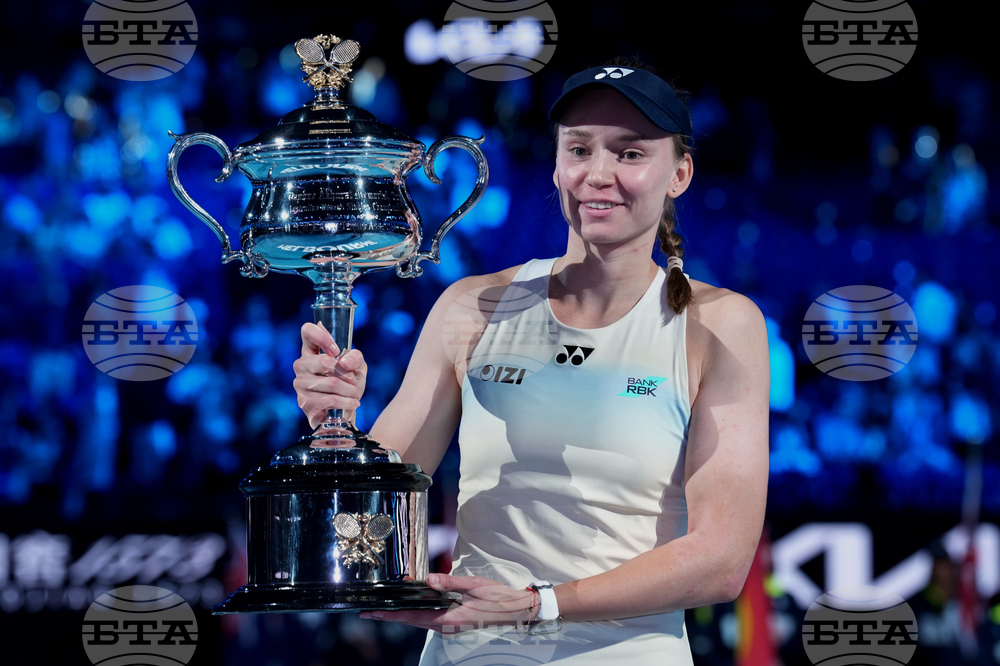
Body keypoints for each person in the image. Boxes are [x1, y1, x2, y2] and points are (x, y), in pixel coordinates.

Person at [293, 56, 770, 664]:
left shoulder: (719, 325)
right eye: (580, 149)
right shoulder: (473, 306)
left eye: (629, 153)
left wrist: (537, 604)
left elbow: (721, 562)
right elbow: (365, 524)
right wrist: (332, 430)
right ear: (556, 165)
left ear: (679, 173)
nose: (598, 173)